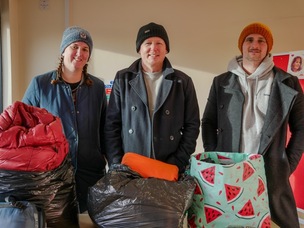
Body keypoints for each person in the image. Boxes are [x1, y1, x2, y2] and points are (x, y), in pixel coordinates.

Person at [201, 22, 304, 228]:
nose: (255, 45)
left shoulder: (287, 82)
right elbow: (209, 122)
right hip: (229, 169)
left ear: (268, 47)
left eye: (261, 40)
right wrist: (214, 157)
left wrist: (286, 164)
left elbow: (301, 128)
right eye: (249, 39)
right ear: (242, 45)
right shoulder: (221, 82)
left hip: (271, 172)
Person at [22, 26, 107, 213]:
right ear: (63, 51)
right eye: (74, 47)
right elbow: (23, 128)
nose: (79, 53)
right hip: (52, 174)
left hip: (90, 174)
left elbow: (104, 129)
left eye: (85, 49)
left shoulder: (98, 87)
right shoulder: (40, 85)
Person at [104, 22, 200, 174]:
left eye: (159, 43)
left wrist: (178, 162)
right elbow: (111, 125)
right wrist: (117, 164)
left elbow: (192, 125)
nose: (153, 48)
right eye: (147, 43)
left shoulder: (183, 81)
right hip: (130, 167)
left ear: (166, 48)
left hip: (168, 165)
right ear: (139, 49)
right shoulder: (122, 78)